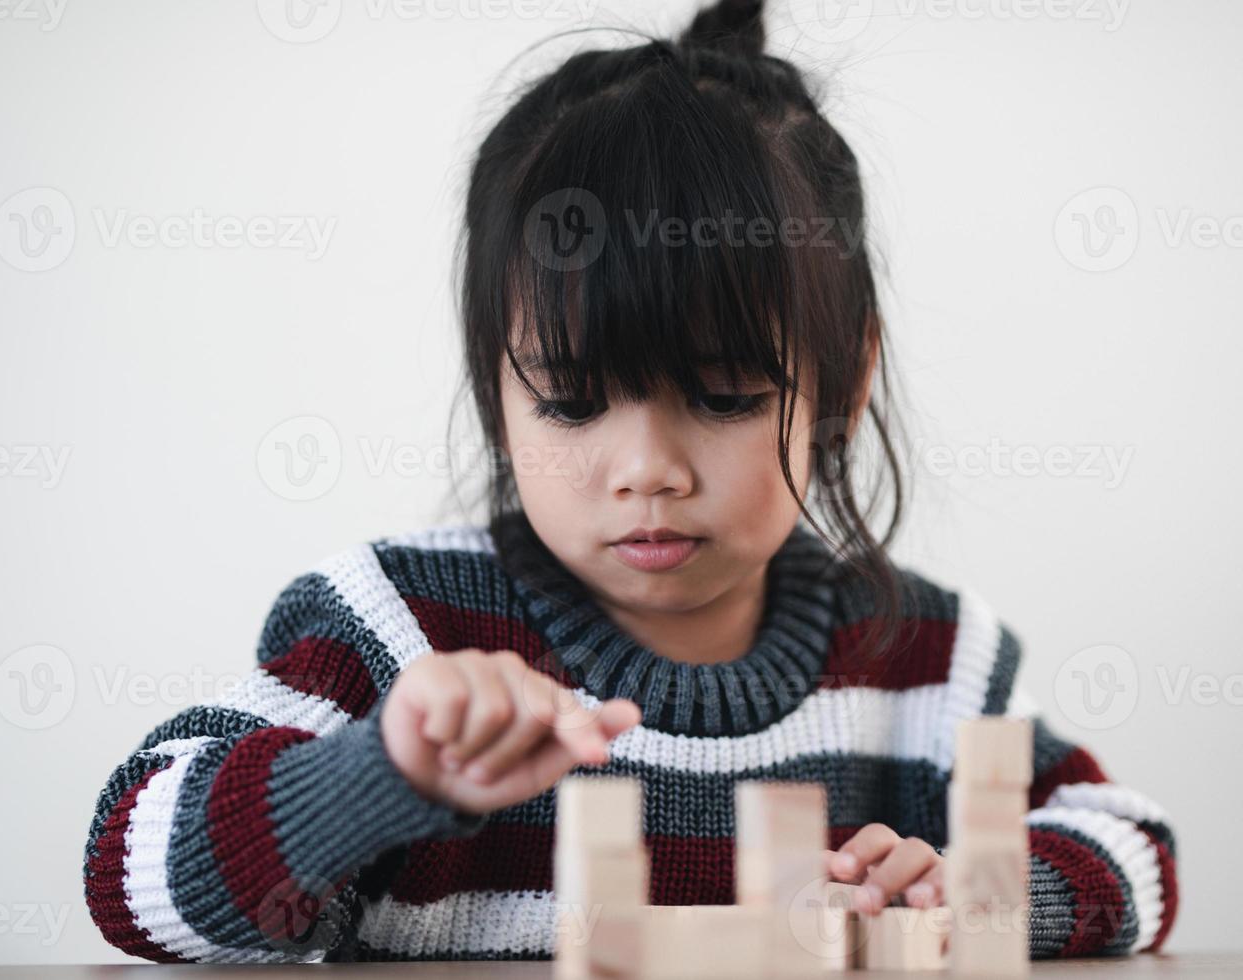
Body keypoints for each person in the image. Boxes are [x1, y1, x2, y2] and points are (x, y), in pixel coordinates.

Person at [83, 0, 1177, 963]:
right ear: (496, 389)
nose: (647, 470)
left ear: (847, 380)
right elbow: (128, 868)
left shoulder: (926, 664)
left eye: (725, 396)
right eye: (569, 402)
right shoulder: (404, 637)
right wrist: (378, 777)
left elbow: (1134, 849)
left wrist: (970, 894)